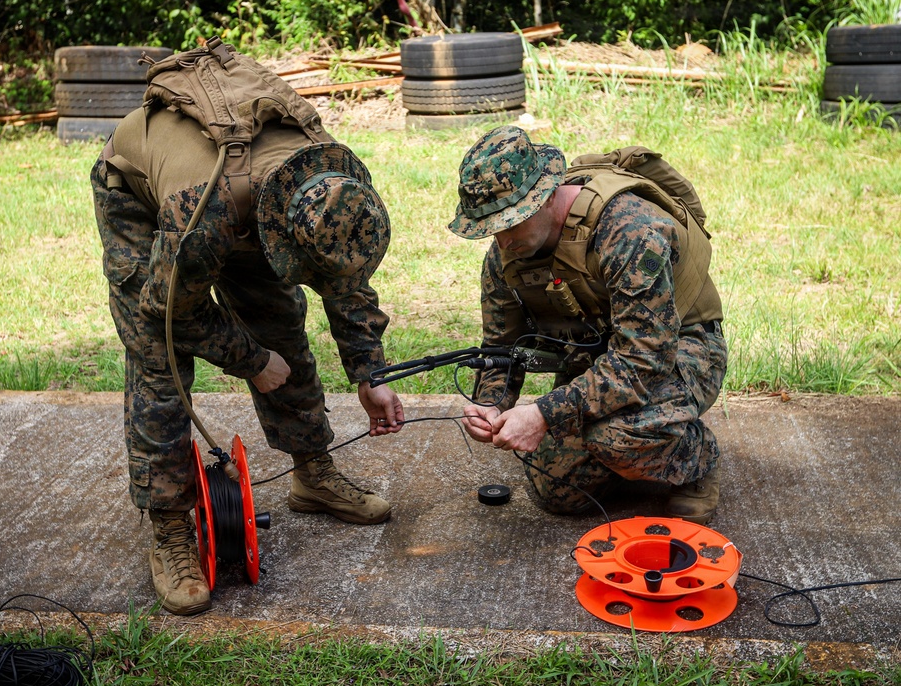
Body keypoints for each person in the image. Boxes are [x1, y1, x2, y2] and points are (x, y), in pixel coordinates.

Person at [92, 42, 404, 616]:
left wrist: (370, 372)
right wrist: (251, 361)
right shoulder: (200, 215)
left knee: (281, 325)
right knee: (159, 364)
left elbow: (345, 280)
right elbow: (169, 312)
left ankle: (312, 474)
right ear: (280, 231)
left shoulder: (334, 184)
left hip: (243, 197)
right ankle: (167, 524)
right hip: (148, 203)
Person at [450, 126, 727, 525]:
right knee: (556, 489)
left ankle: (694, 457)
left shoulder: (629, 231)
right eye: (493, 227)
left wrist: (545, 413)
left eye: (512, 222)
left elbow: (643, 360)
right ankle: (635, 455)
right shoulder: (506, 256)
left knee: (615, 437)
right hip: (597, 356)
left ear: (546, 196)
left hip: (682, 349)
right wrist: (493, 402)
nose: (503, 240)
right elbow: (501, 346)